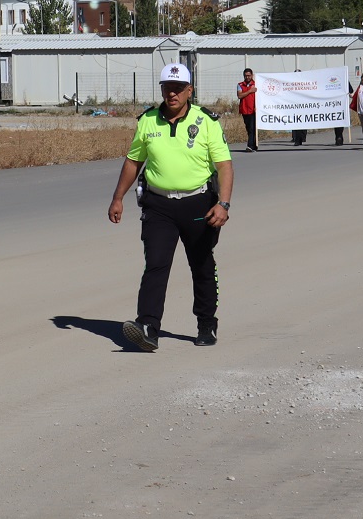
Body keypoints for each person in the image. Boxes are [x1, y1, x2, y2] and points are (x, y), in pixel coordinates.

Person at [108, 63, 232, 351]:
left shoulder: (207, 121)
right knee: (156, 265)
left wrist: (223, 204)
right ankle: (148, 327)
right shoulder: (148, 121)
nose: (172, 93)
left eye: (178, 88)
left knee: (201, 264)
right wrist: (117, 197)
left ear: (190, 90)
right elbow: (133, 161)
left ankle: (206, 323)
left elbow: (224, 166)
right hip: (159, 205)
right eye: (167, 88)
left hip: (199, 203)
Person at [236, 68, 258, 152]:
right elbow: (240, 95)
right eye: (246, 76)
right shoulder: (240, 85)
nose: (247, 77)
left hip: (253, 110)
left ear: (252, 75)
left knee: (253, 128)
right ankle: (253, 145)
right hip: (244, 109)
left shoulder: (256, 84)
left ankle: (250, 145)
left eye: (249, 75)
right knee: (248, 128)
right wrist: (250, 91)